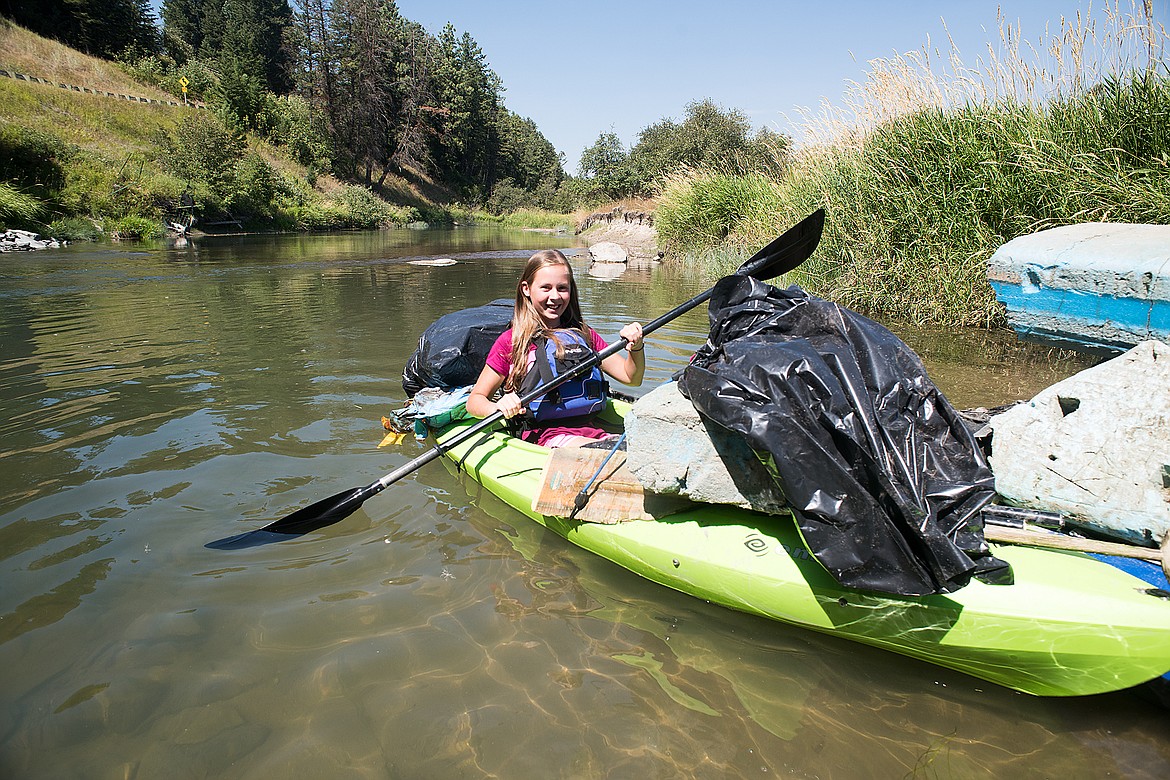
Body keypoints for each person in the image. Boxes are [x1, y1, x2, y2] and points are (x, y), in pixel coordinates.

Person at [466, 249, 645, 447]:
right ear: (526, 289)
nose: (555, 297)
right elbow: (475, 401)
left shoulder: (583, 334)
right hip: (544, 438)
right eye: (546, 288)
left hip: (592, 432)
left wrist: (636, 347)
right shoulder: (512, 341)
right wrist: (499, 407)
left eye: (562, 288)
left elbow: (631, 378)